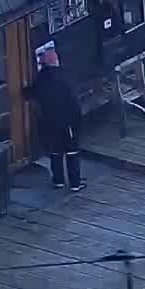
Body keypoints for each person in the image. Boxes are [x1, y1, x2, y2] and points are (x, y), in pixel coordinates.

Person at [23, 47, 84, 191]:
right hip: (67, 122)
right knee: (71, 152)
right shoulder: (64, 77)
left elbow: (30, 93)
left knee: (55, 152)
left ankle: (58, 181)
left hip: (49, 122)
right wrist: (78, 122)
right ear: (56, 61)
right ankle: (75, 183)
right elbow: (73, 101)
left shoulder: (40, 79)